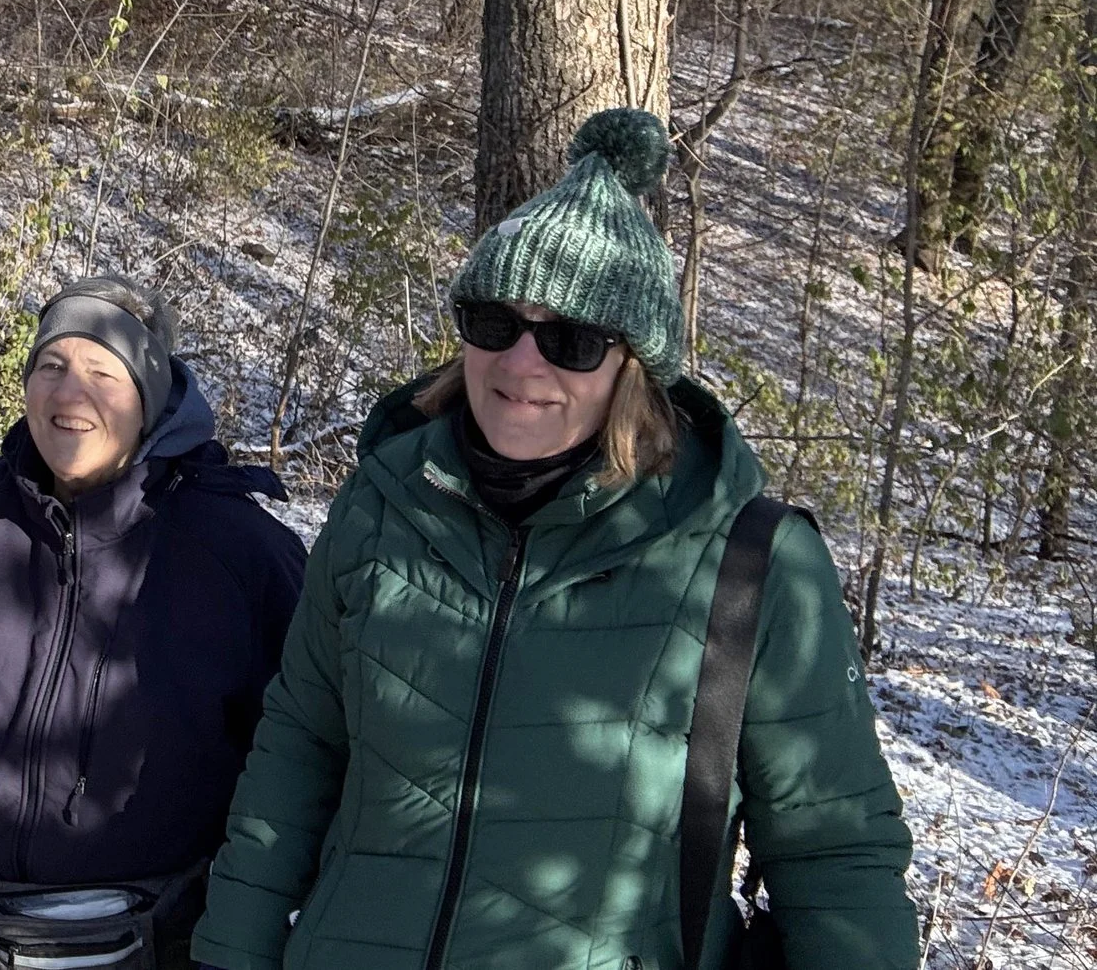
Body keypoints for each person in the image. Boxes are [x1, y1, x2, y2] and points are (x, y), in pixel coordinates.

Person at [194, 109, 918, 970]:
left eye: (572, 339)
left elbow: (835, 850)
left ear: (635, 366)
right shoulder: (381, 505)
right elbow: (301, 748)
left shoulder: (747, 561)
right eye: (496, 322)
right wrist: (229, 953)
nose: (522, 365)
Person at [0, 274, 307, 970]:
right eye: (52, 365)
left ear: (151, 395)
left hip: (166, 932)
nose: (70, 394)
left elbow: (308, 738)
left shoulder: (239, 550)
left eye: (103, 371)